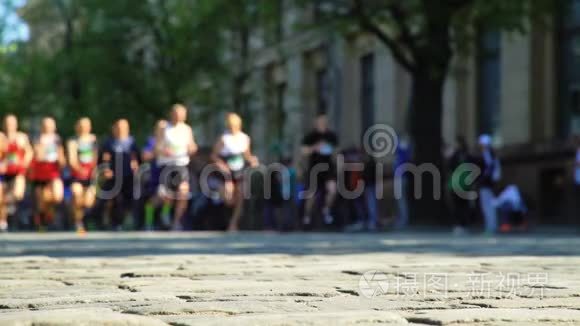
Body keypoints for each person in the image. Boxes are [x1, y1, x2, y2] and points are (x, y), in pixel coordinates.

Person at [212, 112, 258, 232]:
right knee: (229, 196)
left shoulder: (245, 138)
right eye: (230, 124)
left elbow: (247, 155)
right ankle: (226, 217)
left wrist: (252, 160)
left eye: (234, 124)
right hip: (226, 170)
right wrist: (221, 165)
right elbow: (214, 155)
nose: (232, 127)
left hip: (240, 169)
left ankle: (233, 223)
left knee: (241, 194)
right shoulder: (224, 138)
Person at [155, 104, 197, 231]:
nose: (179, 117)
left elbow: (192, 145)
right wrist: (164, 150)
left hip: (181, 164)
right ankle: (165, 213)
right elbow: (157, 147)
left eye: (182, 114)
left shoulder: (187, 129)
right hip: (166, 164)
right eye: (176, 114)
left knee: (183, 192)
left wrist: (192, 149)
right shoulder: (164, 127)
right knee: (167, 195)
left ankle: (176, 221)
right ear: (171, 114)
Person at [98, 119, 140, 230]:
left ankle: (130, 221)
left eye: (123, 127)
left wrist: (136, 165)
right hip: (114, 177)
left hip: (129, 176)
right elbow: (105, 157)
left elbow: (136, 157)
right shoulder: (109, 142)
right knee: (115, 199)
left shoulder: (131, 141)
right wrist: (106, 169)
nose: (120, 129)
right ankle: (113, 222)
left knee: (131, 198)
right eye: (118, 127)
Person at [28, 117, 66, 230]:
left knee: (57, 196)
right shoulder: (37, 138)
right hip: (40, 174)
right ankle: (42, 220)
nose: (48, 127)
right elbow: (38, 156)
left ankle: (48, 216)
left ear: (54, 127)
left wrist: (62, 161)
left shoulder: (57, 139)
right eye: (46, 125)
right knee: (41, 201)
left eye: (50, 125)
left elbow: (61, 157)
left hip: (53, 173)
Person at [301, 113, 338, 226]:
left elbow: (337, 151)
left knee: (332, 190)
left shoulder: (331, 135)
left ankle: (326, 210)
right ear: (316, 122)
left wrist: (332, 151)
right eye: (320, 121)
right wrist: (315, 147)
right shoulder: (311, 136)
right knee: (311, 194)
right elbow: (303, 151)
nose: (322, 123)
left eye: (324, 121)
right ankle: (307, 215)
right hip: (314, 168)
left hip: (328, 168)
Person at [0, 115, 33, 232]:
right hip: (3, 173)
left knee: (18, 193)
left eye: (12, 123)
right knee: (0, 197)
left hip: (18, 171)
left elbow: (29, 152)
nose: (10, 126)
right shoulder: (1, 137)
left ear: (16, 124)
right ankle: (3, 222)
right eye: (7, 123)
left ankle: (10, 206)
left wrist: (24, 163)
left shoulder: (22, 137)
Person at [66, 117, 98, 234]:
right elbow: (72, 160)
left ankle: (85, 219)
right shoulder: (73, 141)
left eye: (85, 125)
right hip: (77, 176)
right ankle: (77, 222)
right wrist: (80, 170)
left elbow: (96, 158)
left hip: (91, 177)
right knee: (77, 194)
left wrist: (93, 171)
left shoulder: (94, 140)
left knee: (88, 202)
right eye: (80, 125)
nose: (83, 128)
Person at [141, 119, 167, 230]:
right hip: (154, 175)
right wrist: (156, 153)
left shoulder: (170, 141)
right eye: (160, 129)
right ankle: (149, 222)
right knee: (153, 200)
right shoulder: (152, 141)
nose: (162, 131)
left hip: (169, 175)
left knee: (168, 195)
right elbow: (144, 156)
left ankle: (166, 217)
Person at [475, 134, 501, 234]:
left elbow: (488, 169)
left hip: (486, 184)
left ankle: (491, 227)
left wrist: (482, 179)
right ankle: (491, 226)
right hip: (488, 184)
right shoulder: (491, 154)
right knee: (488, 206)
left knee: (487, 206)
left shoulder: (487, 154)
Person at [448, 136, 474, 235]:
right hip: (459, 184)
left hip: (462, 184)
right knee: (459, 206)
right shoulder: (461, 154)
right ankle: (460, 225)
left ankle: (461, 225)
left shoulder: (461, 155)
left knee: (461, 206)